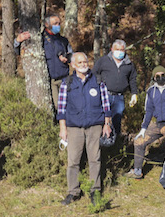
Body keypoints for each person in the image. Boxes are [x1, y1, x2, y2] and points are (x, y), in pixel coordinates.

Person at [57, 52, 112, 207]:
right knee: (73, 161)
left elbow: (106, 104)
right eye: (79, 62)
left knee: (95, 159)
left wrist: (107, 123)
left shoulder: (98, 80)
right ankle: (73, 192)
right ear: (73, 65)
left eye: (85, 61)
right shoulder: (67, 82)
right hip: (74, 127)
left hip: (95, 125)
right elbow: (61, 108)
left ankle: (95, 190)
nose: (83, 64)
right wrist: (63, 128)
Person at [127, 67, 165, 189]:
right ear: (154, 77)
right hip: (158, 123)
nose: (160, 77)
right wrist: (143, 129)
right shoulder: (151, 91)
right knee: (138, 141)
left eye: (162, 74)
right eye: (157, 76)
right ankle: (137, 171)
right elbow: (148, 111)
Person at [14, 14, 73, 96]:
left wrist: (67, 58)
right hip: (49, 81)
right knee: (56, 106)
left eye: (59, 23)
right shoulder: (40, 39)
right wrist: (17, 41)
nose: (58, 26)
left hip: (64, 78)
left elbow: (71, 55)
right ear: (46, 24)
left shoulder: (63, 41)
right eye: (55, 23)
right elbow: (17, 52)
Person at [92, 39, 138, 140]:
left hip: (119, 97)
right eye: (117, 49)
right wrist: (99, 83)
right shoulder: (103, 61)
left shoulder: (129, 64)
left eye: (122, 50)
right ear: (112, 49)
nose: (120, 52)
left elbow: (132, 79)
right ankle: (100, 140)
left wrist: (134, 93)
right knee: (101, 119)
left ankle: (116, 142)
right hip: (104, 95)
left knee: (117, 120)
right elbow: (94, 73)